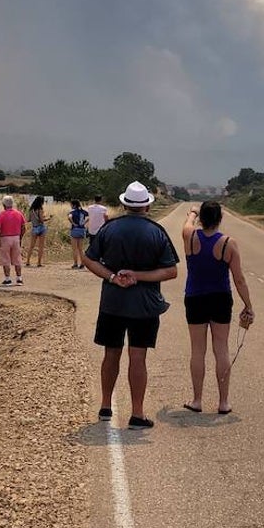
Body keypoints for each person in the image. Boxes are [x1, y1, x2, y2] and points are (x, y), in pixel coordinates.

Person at [83, 182, 180, 429]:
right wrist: (139, 275)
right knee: (138, 356)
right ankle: (137, 413)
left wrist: (113, 277)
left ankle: (106, 406)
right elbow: (171, 271)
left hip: (113, 302)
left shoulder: (109, 229)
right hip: (144, 305)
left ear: (125, 204)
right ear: (147, 205)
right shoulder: (156, 232)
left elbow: (89, 259)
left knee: (111, 352)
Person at [181, 201, 254, 416]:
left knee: (197, 350)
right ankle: (223, 402)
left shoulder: (190, 236)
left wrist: (192, 213)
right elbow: (239, 279)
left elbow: (187, 223)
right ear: (220, 219)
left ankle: (197, 400)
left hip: (195, 297)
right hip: (220, 298)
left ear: (202, 218)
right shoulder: (228, 244)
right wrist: (248, 304)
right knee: (221, 349)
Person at [0, 195, 27, 285]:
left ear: (4, 205)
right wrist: (20, 237)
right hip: (16, 237)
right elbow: (24, 227)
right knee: (17, 259)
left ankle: (7, 278)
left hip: (4, 238)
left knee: (5, 259)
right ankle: (19, 278)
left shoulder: (1, 215)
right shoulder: (19, 213)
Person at [25, 195, 51, 267]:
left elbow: (29, 220)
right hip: (41, 227)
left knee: (31, 246)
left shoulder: (31, 210)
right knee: (41, 246)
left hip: (34, 227)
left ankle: (27, 261)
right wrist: (48, 218)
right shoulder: (40, 209)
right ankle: (39, 262)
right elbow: (42, 220)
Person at [68, 200, 89, 269]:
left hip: (75, 229)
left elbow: (69, 217)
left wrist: (73, 223)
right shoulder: (83, 211)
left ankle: (75, 263)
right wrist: (84, 222)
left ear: (74, 205)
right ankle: (82, 263)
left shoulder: (72, 212)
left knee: (74, 249)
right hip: (82, 229)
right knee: (81, 249)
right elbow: (89, 216)